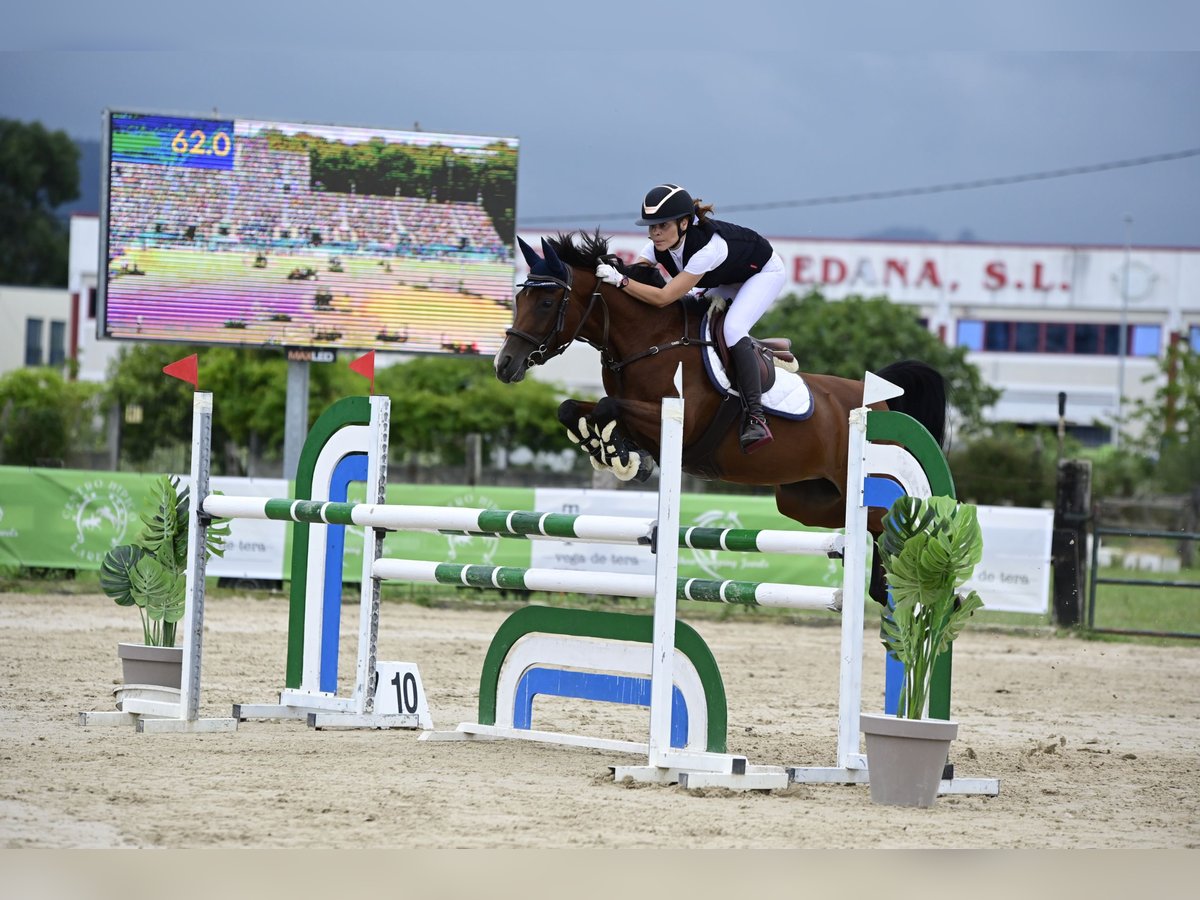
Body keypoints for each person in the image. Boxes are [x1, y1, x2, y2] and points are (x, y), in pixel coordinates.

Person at [595, 184, 787, 453]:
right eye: (651, 227)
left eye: (662, 225)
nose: (656, 233)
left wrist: (621, 280)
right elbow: (638, 273)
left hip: (762, 273)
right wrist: (614, 273)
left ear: (684, 223)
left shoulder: (708, 249)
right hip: (724, 277)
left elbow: (663, 297)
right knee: (692, 312)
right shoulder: (657, 245)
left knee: (732, 329)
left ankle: (756, 417)